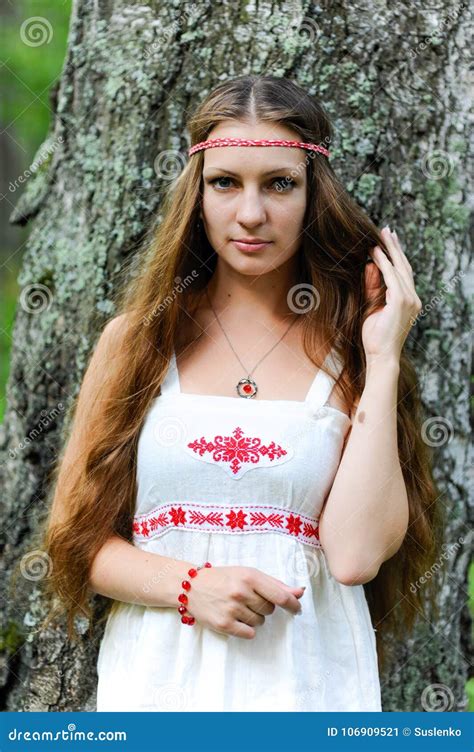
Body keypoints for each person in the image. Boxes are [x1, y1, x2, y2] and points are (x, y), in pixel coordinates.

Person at [41, 75, 443, 712]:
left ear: (313, 193)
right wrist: (190, 586)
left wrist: (386, 354)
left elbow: (355, 557)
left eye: (279, 184)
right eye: (226, 182)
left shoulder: (353, 353)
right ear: (197, 194)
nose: (250, 213)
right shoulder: (137, 343)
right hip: (158, 690)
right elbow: (75, 540)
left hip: (309, 692)